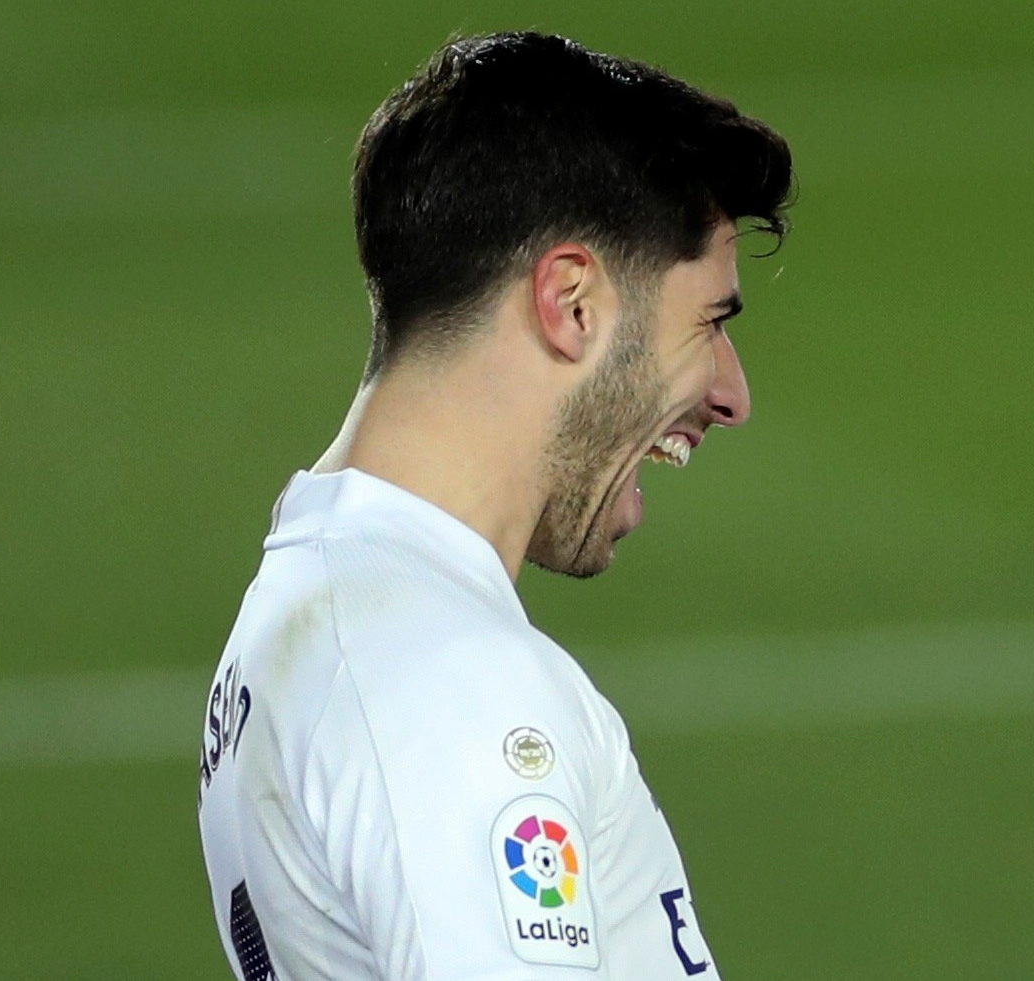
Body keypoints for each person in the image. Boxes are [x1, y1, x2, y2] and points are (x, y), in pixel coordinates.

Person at [196, 32, 793, 981]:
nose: (733, 393)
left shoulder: (323, 599)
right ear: (572, 303)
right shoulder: (449, 683)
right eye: (709, 322)